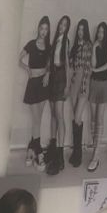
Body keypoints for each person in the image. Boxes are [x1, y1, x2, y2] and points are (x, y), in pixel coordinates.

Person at [19, 17, 51, 170]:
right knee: (36, 120)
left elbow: (50, 65)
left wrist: (47, 74)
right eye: (42, 28)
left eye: (46, 29)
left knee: (37, 121)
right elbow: (19, 59)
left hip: (43, 85)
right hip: (32, 84)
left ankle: (30, 150)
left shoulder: (49, 46)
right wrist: (27, 69)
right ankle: (39, 152)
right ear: (38, 28)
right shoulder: (31, 44)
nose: (44, 32)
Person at [45, 15, 71, 176]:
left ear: (67, 28)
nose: (62, 26)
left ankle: (60, 154)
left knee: (60, 115)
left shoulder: (66, 41)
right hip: (53, 76)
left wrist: (67, 84)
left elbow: (67, 64)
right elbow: (49, 61)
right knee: (53, 115)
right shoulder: (55, 41)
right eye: (61, 24)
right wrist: (48, 73)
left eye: (65, 25)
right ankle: (53, 148)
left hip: (61, 77)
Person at [86, 21, 107, 172]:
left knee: (100, 120)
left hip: (104, 84)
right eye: (99, 32)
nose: (100, 34)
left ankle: (95, 156)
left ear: (106, 33)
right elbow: (93, 63)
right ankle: (95, 149)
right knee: (93, 119)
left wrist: (96, 70)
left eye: (102, 32)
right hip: (94, 83)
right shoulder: (96, 45)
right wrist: (95, 47)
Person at [67, 18, 93, 167]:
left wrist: (84, 85)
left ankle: (78, 153)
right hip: (74, 82)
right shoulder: (75, 46)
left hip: (83, 82)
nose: (81, 32)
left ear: (86, 31)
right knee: (75, 118)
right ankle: (76, 151)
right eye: (79, 30)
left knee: (77, 117)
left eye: (83, 29)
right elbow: (70, 66)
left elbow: (88, 67)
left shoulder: (88, 46)